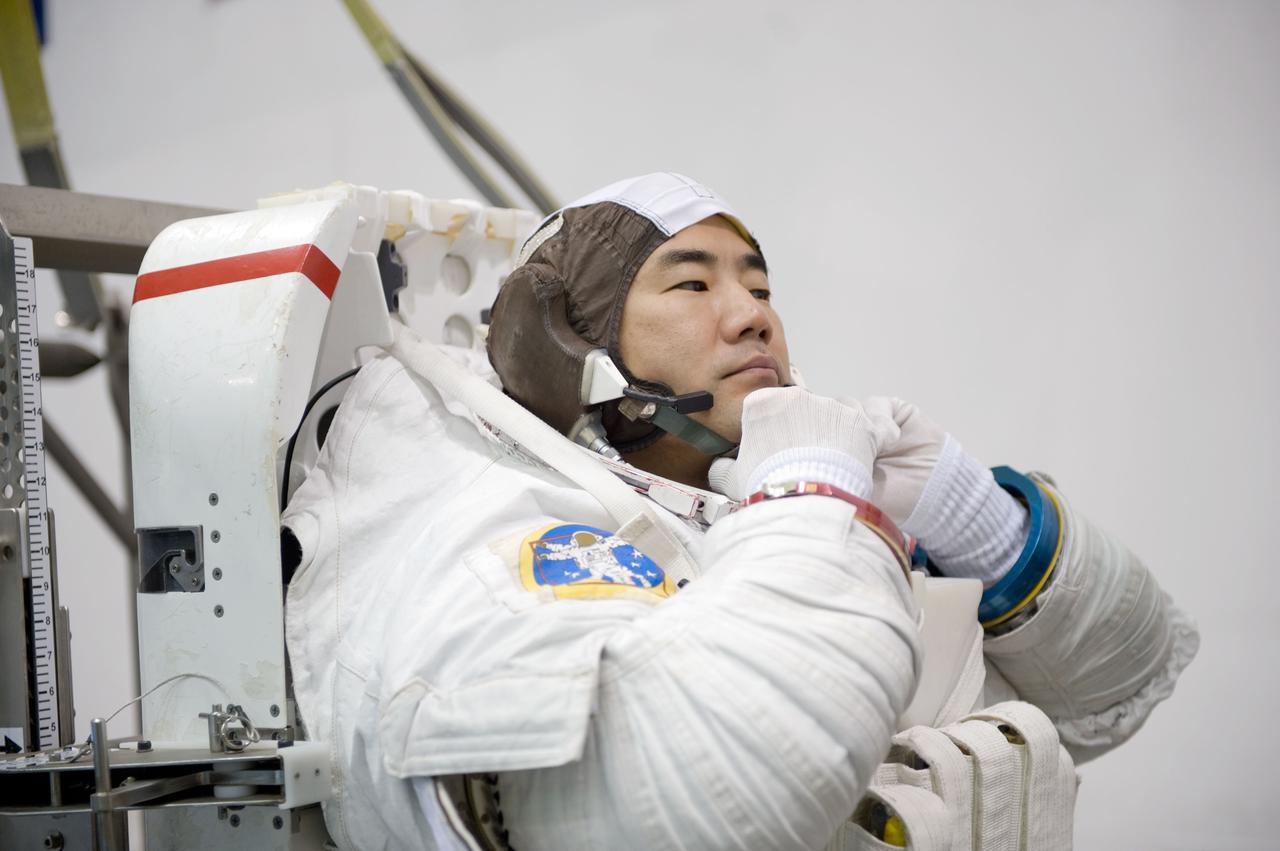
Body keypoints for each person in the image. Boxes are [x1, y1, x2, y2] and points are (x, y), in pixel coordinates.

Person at [283, 173, 1198, 850]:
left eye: (760, 288)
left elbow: (1116, 695)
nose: (753, 316)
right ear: (563, 339)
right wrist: (810, 499)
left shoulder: (758, 522)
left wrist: (975, 520)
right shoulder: (501, 521)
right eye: (693, 284)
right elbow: (706, 790)